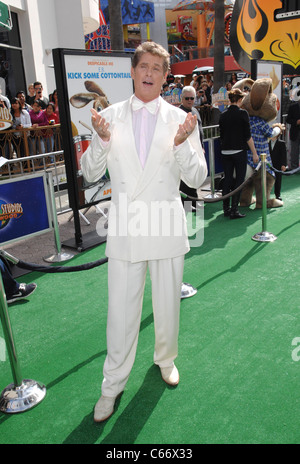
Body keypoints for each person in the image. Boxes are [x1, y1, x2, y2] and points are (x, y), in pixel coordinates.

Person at [81, 41, 207, 423]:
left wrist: (184, 145)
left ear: (166, 77)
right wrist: (101, 141)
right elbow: (88, 173)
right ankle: (112, 385)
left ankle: (166, 359)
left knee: (167, 304)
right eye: (144, 66)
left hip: (166, 226)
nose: (150, 73)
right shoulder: (108, 117)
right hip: (125, 230)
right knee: (120, 313)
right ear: (132, 72)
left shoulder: (182, 119)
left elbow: (198, 177)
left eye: (157, 68)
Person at [219, 88, 259, 219]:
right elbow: (248, 136)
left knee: (228, 179)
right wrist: (254, 153)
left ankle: (226, 209)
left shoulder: (223, 115)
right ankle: (234, 209)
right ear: (240, 99)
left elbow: (222, 135)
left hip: (225, 152)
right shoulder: (243, 114)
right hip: (238, 152)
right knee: (239, 180)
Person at [269, 134, 287, 201]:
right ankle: (266, 195)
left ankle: (278, 195)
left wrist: (283, 164)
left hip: (278, 165)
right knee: (267, 180)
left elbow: (283, 155)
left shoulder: (281, 143)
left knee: (278, 180)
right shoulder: (267, 143)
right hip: (269, 164)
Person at [286, 99, 300, 169]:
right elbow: (288, 119)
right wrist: (296, 122)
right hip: (295, 132)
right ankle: (294, 167)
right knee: (294, 151)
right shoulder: (293, 107)